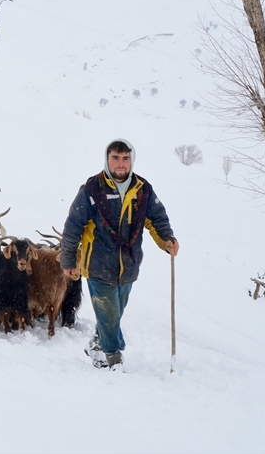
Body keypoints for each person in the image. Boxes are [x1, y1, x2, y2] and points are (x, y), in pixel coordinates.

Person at [60, 139, 179, 372]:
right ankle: (113, 356)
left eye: (125, 158)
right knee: (110, 313)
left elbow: (157, 219)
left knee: (114, 313)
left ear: (131, 160)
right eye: (115, 158)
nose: (121, 164)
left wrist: (167, 241)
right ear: (107, 159)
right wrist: (68, 260)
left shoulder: (143, 190)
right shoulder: (92, 189)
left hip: (129, 266)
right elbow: (73, 226)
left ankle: (97, 343)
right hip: (97, 265)